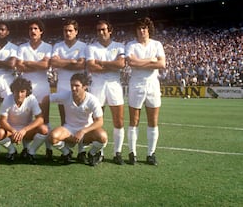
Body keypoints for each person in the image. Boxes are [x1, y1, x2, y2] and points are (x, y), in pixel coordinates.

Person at [125, 17, 166, 166]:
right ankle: (132, 153)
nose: (142, 31)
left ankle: (151, 153)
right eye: (139, 28)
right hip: (136, 84)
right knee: (134, 121)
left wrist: (141, 62)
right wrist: (151, 61)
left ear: (149, 29)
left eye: (144, 28)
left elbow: (162, 64)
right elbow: (131, 62)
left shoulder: (157, 44)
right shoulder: (131, 45)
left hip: (153, 85)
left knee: (153, 121)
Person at [86, 20, 126, 165]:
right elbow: (91, 67)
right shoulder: (91, 47)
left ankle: (117, 152)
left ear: (110, 31)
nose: (101, 33)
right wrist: (111, 65)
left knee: (119, 120)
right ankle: (99, 152)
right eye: (98, 30)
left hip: (114, 85)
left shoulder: (119, 46)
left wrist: (101, 62)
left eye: (103, 29)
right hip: (97, 86)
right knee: (97, 121)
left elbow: (121, 64)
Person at [47, 73, 108, 166]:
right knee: (52, 136)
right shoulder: (66, 95)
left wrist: (83, 131)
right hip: (69, 130)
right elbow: (47, 98)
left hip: (87, 132)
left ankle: (92, 154)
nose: (73, 88)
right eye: (72, 85)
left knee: (103, 136)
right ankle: (66, 153)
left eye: (77, 86)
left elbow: (100, 121)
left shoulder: (92, 100)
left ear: (85, 87)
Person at [16, 19, 53, 160]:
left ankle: (48, 149)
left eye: (36, 28)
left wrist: (28, 63)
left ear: (41, 31)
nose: (33, 31)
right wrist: (37, 64)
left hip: (42, 85)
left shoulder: (47, 47)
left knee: (45, 118)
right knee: (26, 117)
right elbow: (19, 66)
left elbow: (45, 66)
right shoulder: (22, 47)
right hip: (25, 87)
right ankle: (26, 149)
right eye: (31, 28)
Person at [0, 77, 49, 164]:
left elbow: (40, 119)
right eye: (17, 91)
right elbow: (2, 121)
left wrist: (24, 130)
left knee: (44, 129)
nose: (19, 95)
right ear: (13, 91)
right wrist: (13, 131)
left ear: (27, 92)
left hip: (26, 130)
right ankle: (12, 151)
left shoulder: (31, 99)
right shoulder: (8, 99)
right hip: (11, 130)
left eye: (22, 91)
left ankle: (30, 152)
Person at [51, 19, 86, 124]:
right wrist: (72, 61)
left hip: (78, 87)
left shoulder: (83, 46)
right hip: (62, 86)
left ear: (76, 32)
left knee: (80, 119)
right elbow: (53, 63)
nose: (67, 33)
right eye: (65, 31)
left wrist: (62, 62)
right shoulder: (58, 46)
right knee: (64, 120)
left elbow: (81, 65)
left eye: (70, 31)